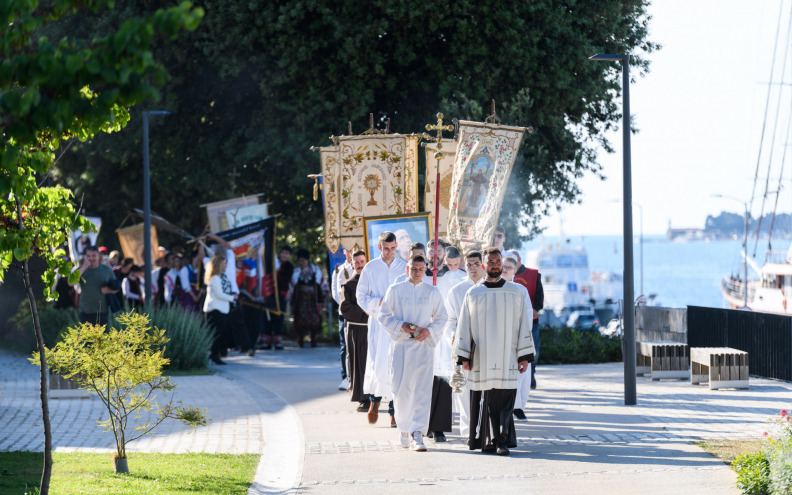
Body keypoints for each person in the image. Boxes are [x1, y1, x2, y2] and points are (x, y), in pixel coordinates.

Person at [453, 247, 535, 456]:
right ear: (484, 265)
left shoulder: (515, 292)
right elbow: (464, 326)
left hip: (508, 355)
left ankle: (502, 441)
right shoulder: (474, 293)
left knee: (506, 399)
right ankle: (487, 441)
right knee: (488, 401)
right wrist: (463, 356)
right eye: (491, 262)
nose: (495, 264)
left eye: (498, 261)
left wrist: (524, 356)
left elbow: (523, 325)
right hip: (483, 356)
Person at [378, 254, 448, 451]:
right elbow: (383, 316)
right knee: (402, 389)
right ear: (406, 269)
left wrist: (429, 331)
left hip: (423, 346)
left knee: (421, 389)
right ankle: (404, 427)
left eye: (420, 269)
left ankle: (417, 433)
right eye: (413, 268)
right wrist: (401, 325)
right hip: (401, 346)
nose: (416, 272)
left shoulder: (432, 291)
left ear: (425, 269)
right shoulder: (395, 289)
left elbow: (443, 317)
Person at [356, 231, 406, 426]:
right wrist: (378, 303)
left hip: (397, 323)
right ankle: (375, 402)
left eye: (393, 248)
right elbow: (361, 296)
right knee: (379, 364)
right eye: (386, 249)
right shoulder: (370, 268)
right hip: (378, 324)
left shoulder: (403, 267)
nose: (390, 252)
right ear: (379, 247)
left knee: (396, 365)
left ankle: (394, 410)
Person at [426, 245, 466, 442]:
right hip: (429, 333)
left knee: (446, 380)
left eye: (456, 264)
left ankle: (441, 426)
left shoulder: (460, 278)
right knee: (429, 380)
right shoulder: (427, 276)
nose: (452, 268)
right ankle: (426, 424)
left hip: (448, 334)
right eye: (449, 264)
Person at [443, 250, 485, 439]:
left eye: (476, 263)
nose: (472, 268)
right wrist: (452, 335)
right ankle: (469, 433)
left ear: (482, 264)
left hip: (486, 347)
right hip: (464, 347)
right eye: (469, 264)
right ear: (463, 265)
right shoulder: (456, 291)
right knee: (465, 391)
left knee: (486, 390)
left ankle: (485, 430)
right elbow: (449, 321)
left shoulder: (491, 288)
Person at [501, 256, 533, 421]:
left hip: (518, 338)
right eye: (503, 266)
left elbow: (527, 315)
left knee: (522, 375)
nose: (505, 269)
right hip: (499, 339)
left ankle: (519, 406)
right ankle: (512, 407)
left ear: (515, 271)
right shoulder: (493, 288)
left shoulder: (521, 290)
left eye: (509, 267)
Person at [508, 248, 544, 391]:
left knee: (532, 350)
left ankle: (531, 374)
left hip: (531, 321)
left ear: (519, 260)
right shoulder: (505, 275)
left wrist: (535, 309)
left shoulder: (533, 275)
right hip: (511, 322)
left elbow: (540, 296)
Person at [340, 250, 370, 413]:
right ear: (352, 264)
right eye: (356, 262)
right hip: (357, 329)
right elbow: (345, 307)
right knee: (359, 363)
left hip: (372, 329)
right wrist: (364, 312)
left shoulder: (372, 282)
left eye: (362, 262)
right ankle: (362, 398)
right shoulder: (348, 284)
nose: (359, 265)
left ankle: (375, 396)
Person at [203, 253, 238, 365]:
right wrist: (232, 297)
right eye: (224, 263)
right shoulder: (215, 278)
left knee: (221, 334)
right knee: (216, 334)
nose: (226, 265)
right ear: (218, 265)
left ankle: (216, 354)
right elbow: (219, 294)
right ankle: (214, 355)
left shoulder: (223, 277)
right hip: (215, 309)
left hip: (222, 309)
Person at [290, 249, 324, 348]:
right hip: (300, 299)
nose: (301, 262)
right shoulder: (296, 271)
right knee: (299, 319)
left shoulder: (315, 270)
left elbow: (321, 283)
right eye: (300, 260)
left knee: (314, 319)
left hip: (312, 299)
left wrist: (325, 295)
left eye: (303, 260)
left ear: (307, 260)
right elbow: (292, 286)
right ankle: (300, 340)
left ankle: (314, 339)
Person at [76, 245, 118, 326]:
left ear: (98, 256)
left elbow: (117, 287)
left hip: (102, 312)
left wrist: (108, 290)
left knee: (102, 338)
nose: (91, 258)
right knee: (87, 338)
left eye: (94, 256)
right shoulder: (81, 270)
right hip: (85, 312)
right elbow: (71, 283)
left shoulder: (107, 270)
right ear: (85, 257)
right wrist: (84, 267)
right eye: (88, 256)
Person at [262, 246, 294, 350]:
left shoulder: (289, 266)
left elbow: (285, 280)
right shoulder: (273, 263)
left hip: (281, 294)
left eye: (287, 254)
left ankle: (277, 342)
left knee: (279, 316)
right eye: (283, 253)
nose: (284, 255)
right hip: (270, 294)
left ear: (289, 256)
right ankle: (266, 342)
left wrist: (277, 277)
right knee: (268, 316)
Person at [332, 249, 354, 391]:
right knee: (345, 346)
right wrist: (347, 306)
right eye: (350, 249)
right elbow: (336, 293)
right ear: (345, 251)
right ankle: (346, 377)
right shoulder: (339, 270)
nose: (352, 252)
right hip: (345, 312)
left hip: (362, 312)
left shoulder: (365, 267)